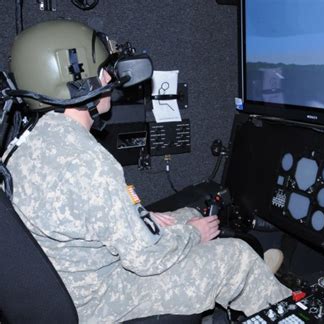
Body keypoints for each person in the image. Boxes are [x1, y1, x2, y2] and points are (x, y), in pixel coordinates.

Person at [5, 20, 291, 323]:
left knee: (186, 213)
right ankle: (284, 305)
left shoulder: (23, 144)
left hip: (67, 278)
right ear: (78, 78)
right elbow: (147, 258)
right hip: (97, 297)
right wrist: (193, 235)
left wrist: (165, 222)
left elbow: (82, 217)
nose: (109, 78)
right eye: (103, 70)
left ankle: (249, 288)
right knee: (236, 257)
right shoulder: (87, 163)